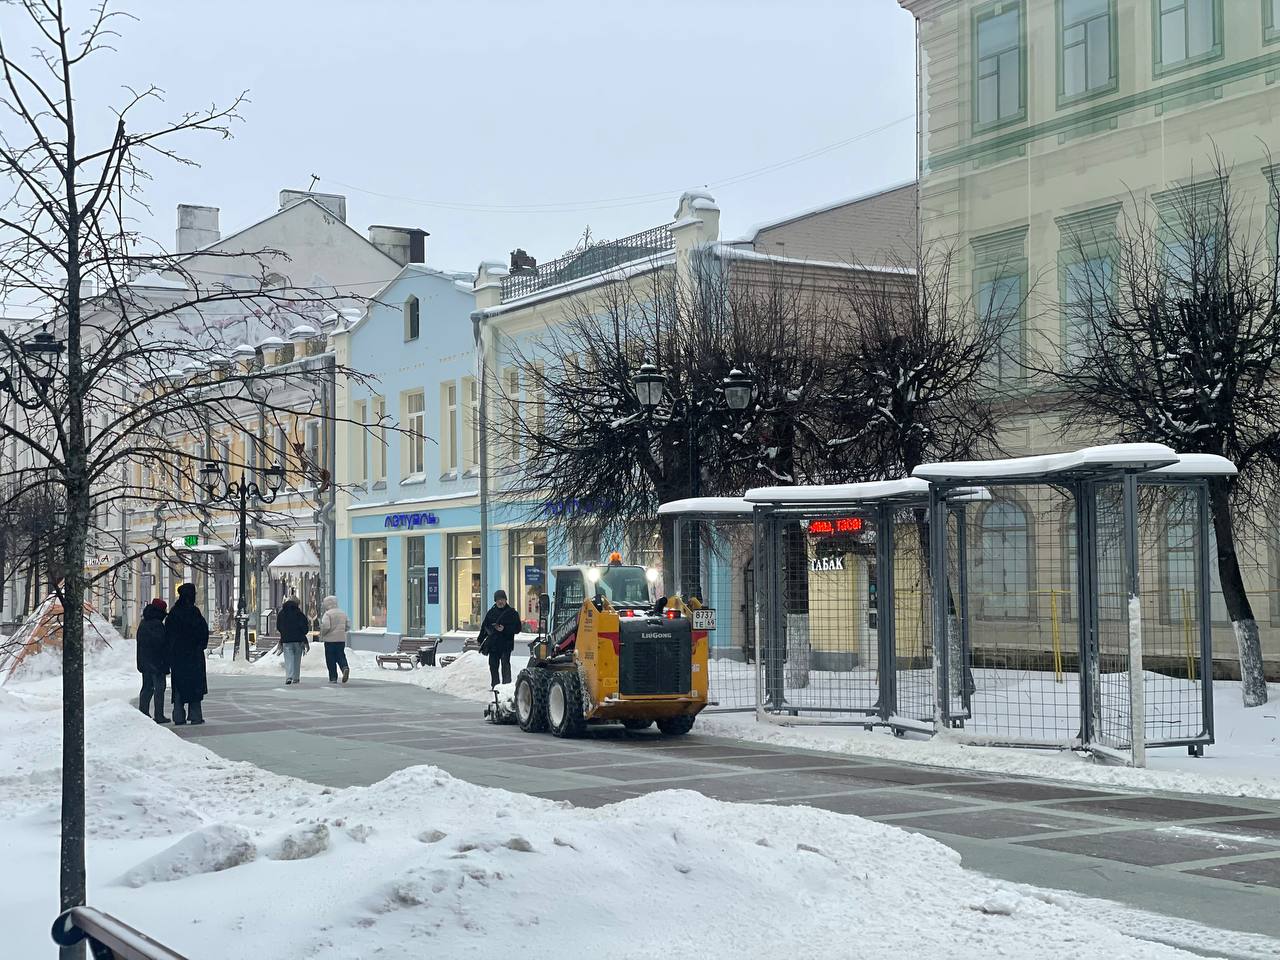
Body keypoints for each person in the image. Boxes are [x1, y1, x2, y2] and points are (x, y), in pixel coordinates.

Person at [166, 583, 210, 725]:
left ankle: (178, 716)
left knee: (179, 687)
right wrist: (199, 646)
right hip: (194, 656)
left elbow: (168, 635)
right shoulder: (194, 612)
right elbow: (203, 632)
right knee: (195, 688)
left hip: (178, 657)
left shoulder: (173, 613)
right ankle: (195, 715)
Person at [136, 598, 170, 724]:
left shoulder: (143, 623)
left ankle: (143, 712)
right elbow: (161, 644)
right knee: (159, 688)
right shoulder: (157, 625)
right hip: (157, 663)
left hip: (145, 662)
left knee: (147, 687)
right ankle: (159, 715)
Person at [477, 589, 521, 688]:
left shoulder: (512, 613)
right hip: (493, 645)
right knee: (493, 666)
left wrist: (504, 629)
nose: (500, 602)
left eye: (502, 599)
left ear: (506, 600)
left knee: (505, 666)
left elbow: (517, 628)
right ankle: (495, 687)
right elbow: (485, 626)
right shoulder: (491, 613)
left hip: (506, 644)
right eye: (498, 600)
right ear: (495, 601)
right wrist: (480, 639)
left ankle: (506, 688)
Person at [277, 594, 311, 685]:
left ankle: (289, 676)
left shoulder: (281, 613)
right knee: (297, 659)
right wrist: (302, 634)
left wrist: (284, 633)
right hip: (298, 640)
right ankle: (296, 678)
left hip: (286, 640)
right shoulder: (299, 614)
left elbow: (279, 626)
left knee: (288, 659)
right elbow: (305, 628)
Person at [318, 595, 350, 684]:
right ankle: (344, 668)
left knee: (330, 658)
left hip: (329, 641)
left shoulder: (327, 614)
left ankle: (333, 677)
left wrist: (322, 634)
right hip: (341, 640)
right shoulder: (342, 613)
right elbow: (348, 625)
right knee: (341, 655)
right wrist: (342, 632)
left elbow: (326, 626)